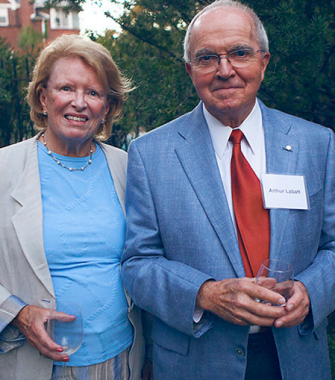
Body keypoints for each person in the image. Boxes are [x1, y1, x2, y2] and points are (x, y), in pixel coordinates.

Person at [121, 1, 335, 379]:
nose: (225, 70)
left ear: (263, 62)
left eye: (239, 53)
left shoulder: (316, 144)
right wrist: (204, 294)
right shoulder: (150, 154)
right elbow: (138, 264)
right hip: (199, 360)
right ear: (190, 70)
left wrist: (311, 289)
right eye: (207, 58)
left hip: (295, 357)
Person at [0, 34, 144, 380]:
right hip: (35, 363)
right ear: (43, 97)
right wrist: (17, 313)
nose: (79, 103)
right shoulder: (4, 170)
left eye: (93, 93)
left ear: (107, 107)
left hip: (120, 360)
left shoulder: (128, 167)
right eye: (66, 88)